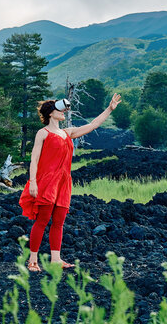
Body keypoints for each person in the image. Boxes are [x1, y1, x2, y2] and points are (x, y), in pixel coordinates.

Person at [18, 93, 122, 272]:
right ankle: (33, 261)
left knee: (59, 222)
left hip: (64, 182)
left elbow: (93, 125)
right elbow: (34, 160)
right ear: (51, 113)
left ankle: (56, 259)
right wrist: (33, 182)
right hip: (47, 181)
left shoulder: (68, 132)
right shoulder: (43, 133)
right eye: (60, 110)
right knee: (42, 220)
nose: (64, 112)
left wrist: (109, 109)